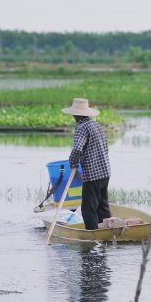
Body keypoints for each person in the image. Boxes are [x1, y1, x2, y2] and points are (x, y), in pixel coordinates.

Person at [62, 98, 111, 230]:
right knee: (103, 206)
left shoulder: (82, 127)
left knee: (88, 208)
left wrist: (72, 162)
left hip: (93, 175)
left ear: (75, 115)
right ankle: (108, 232)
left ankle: (93, 236)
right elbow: (106, 148)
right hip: (105, 171)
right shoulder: (97, 125)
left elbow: (78, 148)